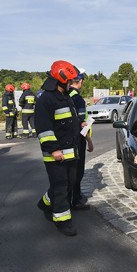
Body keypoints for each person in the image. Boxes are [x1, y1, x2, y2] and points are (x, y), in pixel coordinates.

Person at [35, 60, 82, 236]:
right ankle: (62, 221)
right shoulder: (46, 99)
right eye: (69, 81)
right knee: (61, 186)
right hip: (55, 154)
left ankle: (45, 203)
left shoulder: (65, 97)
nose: (72, 84)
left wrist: (80, 123)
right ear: (61, 80)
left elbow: (67, 121)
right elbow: (44, 128)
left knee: (68, 183)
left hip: (70, 152)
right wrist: (53, 149)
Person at [68, 70, 94, 209]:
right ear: (80, 82)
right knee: (78, 171)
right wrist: (89, 141)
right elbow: (81, 124)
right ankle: (76, 200)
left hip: (68, 140)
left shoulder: (66, 95)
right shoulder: (78, 99)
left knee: (71, 170)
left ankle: (72, 197)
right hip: (78, 140)